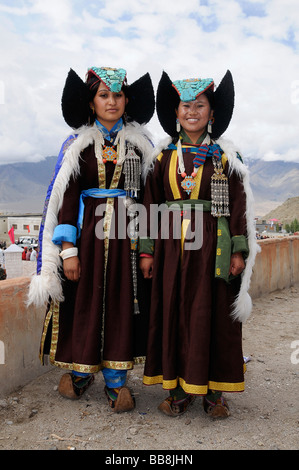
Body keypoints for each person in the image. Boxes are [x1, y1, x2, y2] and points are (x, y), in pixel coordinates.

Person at [28, 66, 155, 412]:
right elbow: (67, 196)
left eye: (117, 95)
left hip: (127, 241)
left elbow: (147, 199)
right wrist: (68, 250)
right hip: (86, 240)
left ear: (127, 100)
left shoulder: (141, 147)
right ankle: (81, 372)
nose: (111, 102)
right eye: (103, 95)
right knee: (82, 299)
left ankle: (116, 380)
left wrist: (146, 249)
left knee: (121, 304)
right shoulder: (77, 146)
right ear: (91, 102)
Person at [139, 70, 259, 418]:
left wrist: (238, 250)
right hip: (170, 250)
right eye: (186, 105)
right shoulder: (161, 159)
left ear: (212, 112)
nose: (193, 111)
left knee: (214, 315)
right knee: (174, 311)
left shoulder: (226, 158)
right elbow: (150, 205)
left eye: (200, 105)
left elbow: (239, 205)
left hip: (213, 249)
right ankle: (178, 388)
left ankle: (214, 392)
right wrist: (147, 250)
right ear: (175, 113)